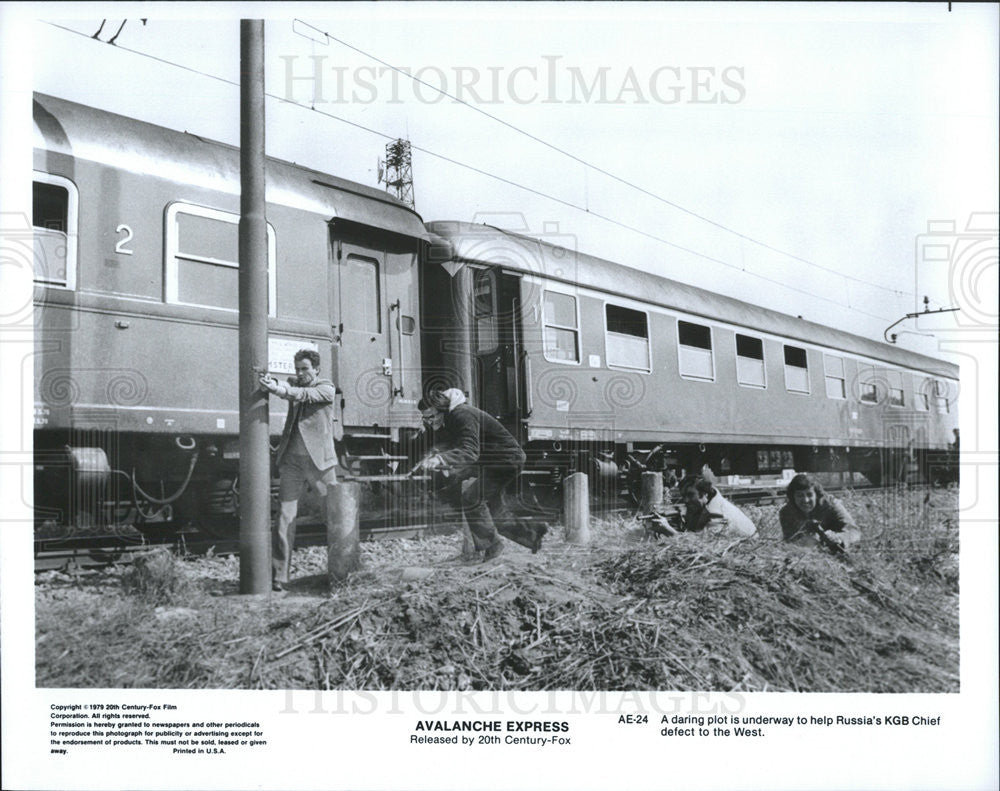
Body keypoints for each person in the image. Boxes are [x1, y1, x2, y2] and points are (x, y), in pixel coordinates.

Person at [416, 388, 543, 560]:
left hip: (505, 460)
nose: (429, 422)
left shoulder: (462, 415)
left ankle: (493, 546)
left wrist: (440, 459)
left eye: (431, 417)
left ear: (443, 410)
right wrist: (436, 455)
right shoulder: (450, 419)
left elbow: (469, 451)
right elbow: (451, 444)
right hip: (493, 460)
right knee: (492, 508)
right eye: (425, 418)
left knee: (472, 499)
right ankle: (532, 536)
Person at [259, 349, 340, 591]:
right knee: (284, 517)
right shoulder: (295, 383)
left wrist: (278, 388)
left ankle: (342, 570)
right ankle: (279, 578)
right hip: (292, 461)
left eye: (305, 368)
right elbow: (291, 386)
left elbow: (302, 394)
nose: (300, 373)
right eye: (297, 369)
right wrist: (272, 381)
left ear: (317, 369)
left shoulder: (326, 388)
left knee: (334, 517)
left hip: (320, 463)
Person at [779, 473, 860, 551]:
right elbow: (790, 541)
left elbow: (854, 532)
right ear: (793, 497)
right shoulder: (786, 513)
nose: (805, 500)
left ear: (817, 495)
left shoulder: (831, 505)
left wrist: (838, 538)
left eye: (809, 494)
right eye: (800, 495)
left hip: (838, 547)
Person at [680, 476, 757, 538]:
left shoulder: (718, 514)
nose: (685, 500)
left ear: (705, 493)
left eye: (690, 495)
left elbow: (701, 542)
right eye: (683, 496)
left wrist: (669, 530)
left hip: (747, 548)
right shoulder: (706, 502)